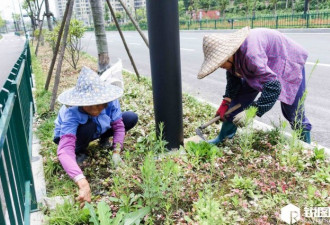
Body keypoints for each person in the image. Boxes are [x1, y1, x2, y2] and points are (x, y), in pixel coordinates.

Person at [197, 27, 312, 145]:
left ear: (228, 55)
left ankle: (307, 148)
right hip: (261, 62)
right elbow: (233, 82)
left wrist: (252, 111)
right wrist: (225, 103)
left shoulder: (252, 56)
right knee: (238, 101)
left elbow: (273, 87)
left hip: (286, 58)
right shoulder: (234, 60)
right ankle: (223, 139)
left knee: (293, 111)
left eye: (220, 63)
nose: (219, 66)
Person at [53, 66, 138, 207]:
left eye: (99, 105)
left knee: (129, 117)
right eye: (90, 106)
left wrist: (117, 151)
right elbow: (64, 149)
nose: (95, 110)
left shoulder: (110, 100)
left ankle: (103, 139)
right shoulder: (71, 112)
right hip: (75, 135)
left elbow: (118, 126)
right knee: (89, 126)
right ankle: (79, 150)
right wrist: (82, 181)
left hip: (97, 129)